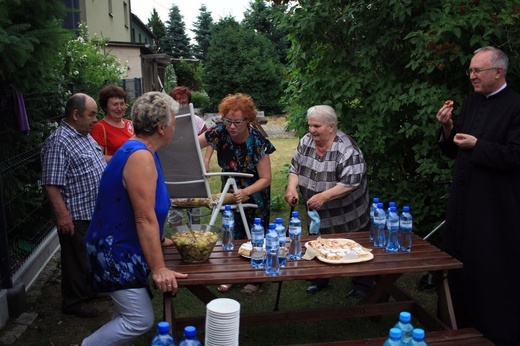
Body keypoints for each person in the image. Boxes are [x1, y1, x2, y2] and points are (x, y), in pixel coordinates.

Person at [82, 92, 188, 345]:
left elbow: (133, 209)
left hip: (120, 246)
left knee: (124, 314)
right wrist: (159, 268)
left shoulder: (143, 151)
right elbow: (143, 217)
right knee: (138, 320)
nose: (174, 127)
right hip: (115, 251)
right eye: (173, 122)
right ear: (162, 128)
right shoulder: (139, 156)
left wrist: (159, 239)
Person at [436, 46, 520, 345]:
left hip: (495, 205)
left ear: (498, 72)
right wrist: (447, 128)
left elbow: (515, 155)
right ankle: (456, 322)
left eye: (477, 70)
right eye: (470, 70)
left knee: (490, 265)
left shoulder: (516, 106)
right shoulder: (471, 102)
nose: (471, 75)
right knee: (459, 261)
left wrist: (478, 146)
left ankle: (494, 329)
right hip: (463, 200)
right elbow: (453, 149)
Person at [284, 105, 371, 297]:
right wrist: (291, 188)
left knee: (353, 246)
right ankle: (320, 279)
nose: (312, 130)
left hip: (347, 216)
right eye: (310, 125)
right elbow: (295, 169)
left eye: (317, 126)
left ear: (331, 127)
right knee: (317, 243)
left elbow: (351, 183)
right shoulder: (306, 141)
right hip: (318, 215)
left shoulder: (347, 149)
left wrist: (324, 196)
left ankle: (362, 285)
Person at [199, 93, 275, 294]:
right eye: (228, 120)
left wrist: (246, 191)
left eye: (237, 122)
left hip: (254, 191)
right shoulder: (219, 132)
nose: (232, 126)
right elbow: (191, 145)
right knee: (230, 233)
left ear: (248, 120)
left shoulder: (258, 142)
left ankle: (255, 278)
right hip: (229, 189)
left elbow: (266, 178)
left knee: (255, 235)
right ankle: (231, 274)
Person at [40, 93, 106, 318]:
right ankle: (73, 302)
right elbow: (51, 184)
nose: (95, 119)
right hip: (75, 213)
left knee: (88, 255)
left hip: (92, 211)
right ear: (76, 114)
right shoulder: (59, 142)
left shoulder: (84, 135)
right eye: (91, 114)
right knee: (75, 259)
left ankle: (88, 290)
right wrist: (62, 216)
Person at [167, 86, 210, 226]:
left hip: (193, 171)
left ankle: (195, 237)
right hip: (172, 171)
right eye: (178, 103)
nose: (181, 106)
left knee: (194, 208)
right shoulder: (166, 122)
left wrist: (206, 160)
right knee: (174, 211)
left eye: (184, 103)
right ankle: (176, 240)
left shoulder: (196, 121)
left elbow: (211, 140)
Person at [91, 84, 134, 162]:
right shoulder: (100, 128)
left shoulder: (131, 124)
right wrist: (124, 159)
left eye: (122, 104)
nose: (119, 108)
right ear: (105, 107)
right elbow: (96, 157)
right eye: (115, 104)